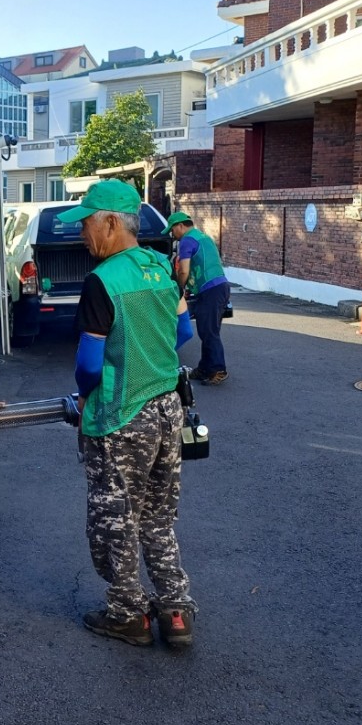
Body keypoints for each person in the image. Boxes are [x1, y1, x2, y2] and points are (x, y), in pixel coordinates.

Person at [62, 180, 197, 647]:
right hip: (167, 408)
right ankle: (176, 612)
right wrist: (148, 359)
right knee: (158, 516)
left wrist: (83, 398)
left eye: (87, 223)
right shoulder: (161, 267)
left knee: (115, 518)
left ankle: (128, 615)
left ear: (112, 223)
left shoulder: (103, 281)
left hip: (122, 419)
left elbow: (89, 365)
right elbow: (182, 331)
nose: (82, 234)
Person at [167, 212, 230, 386]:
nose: (173, 236)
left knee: (209, 332)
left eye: (173, 230)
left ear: (180, 225)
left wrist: (179, 288)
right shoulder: (203, 237)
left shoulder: (187, 240)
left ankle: (218, 369)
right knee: (207, 329)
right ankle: (205, 368)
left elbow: (184, 271)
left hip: (211, 290)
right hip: (220, 287)